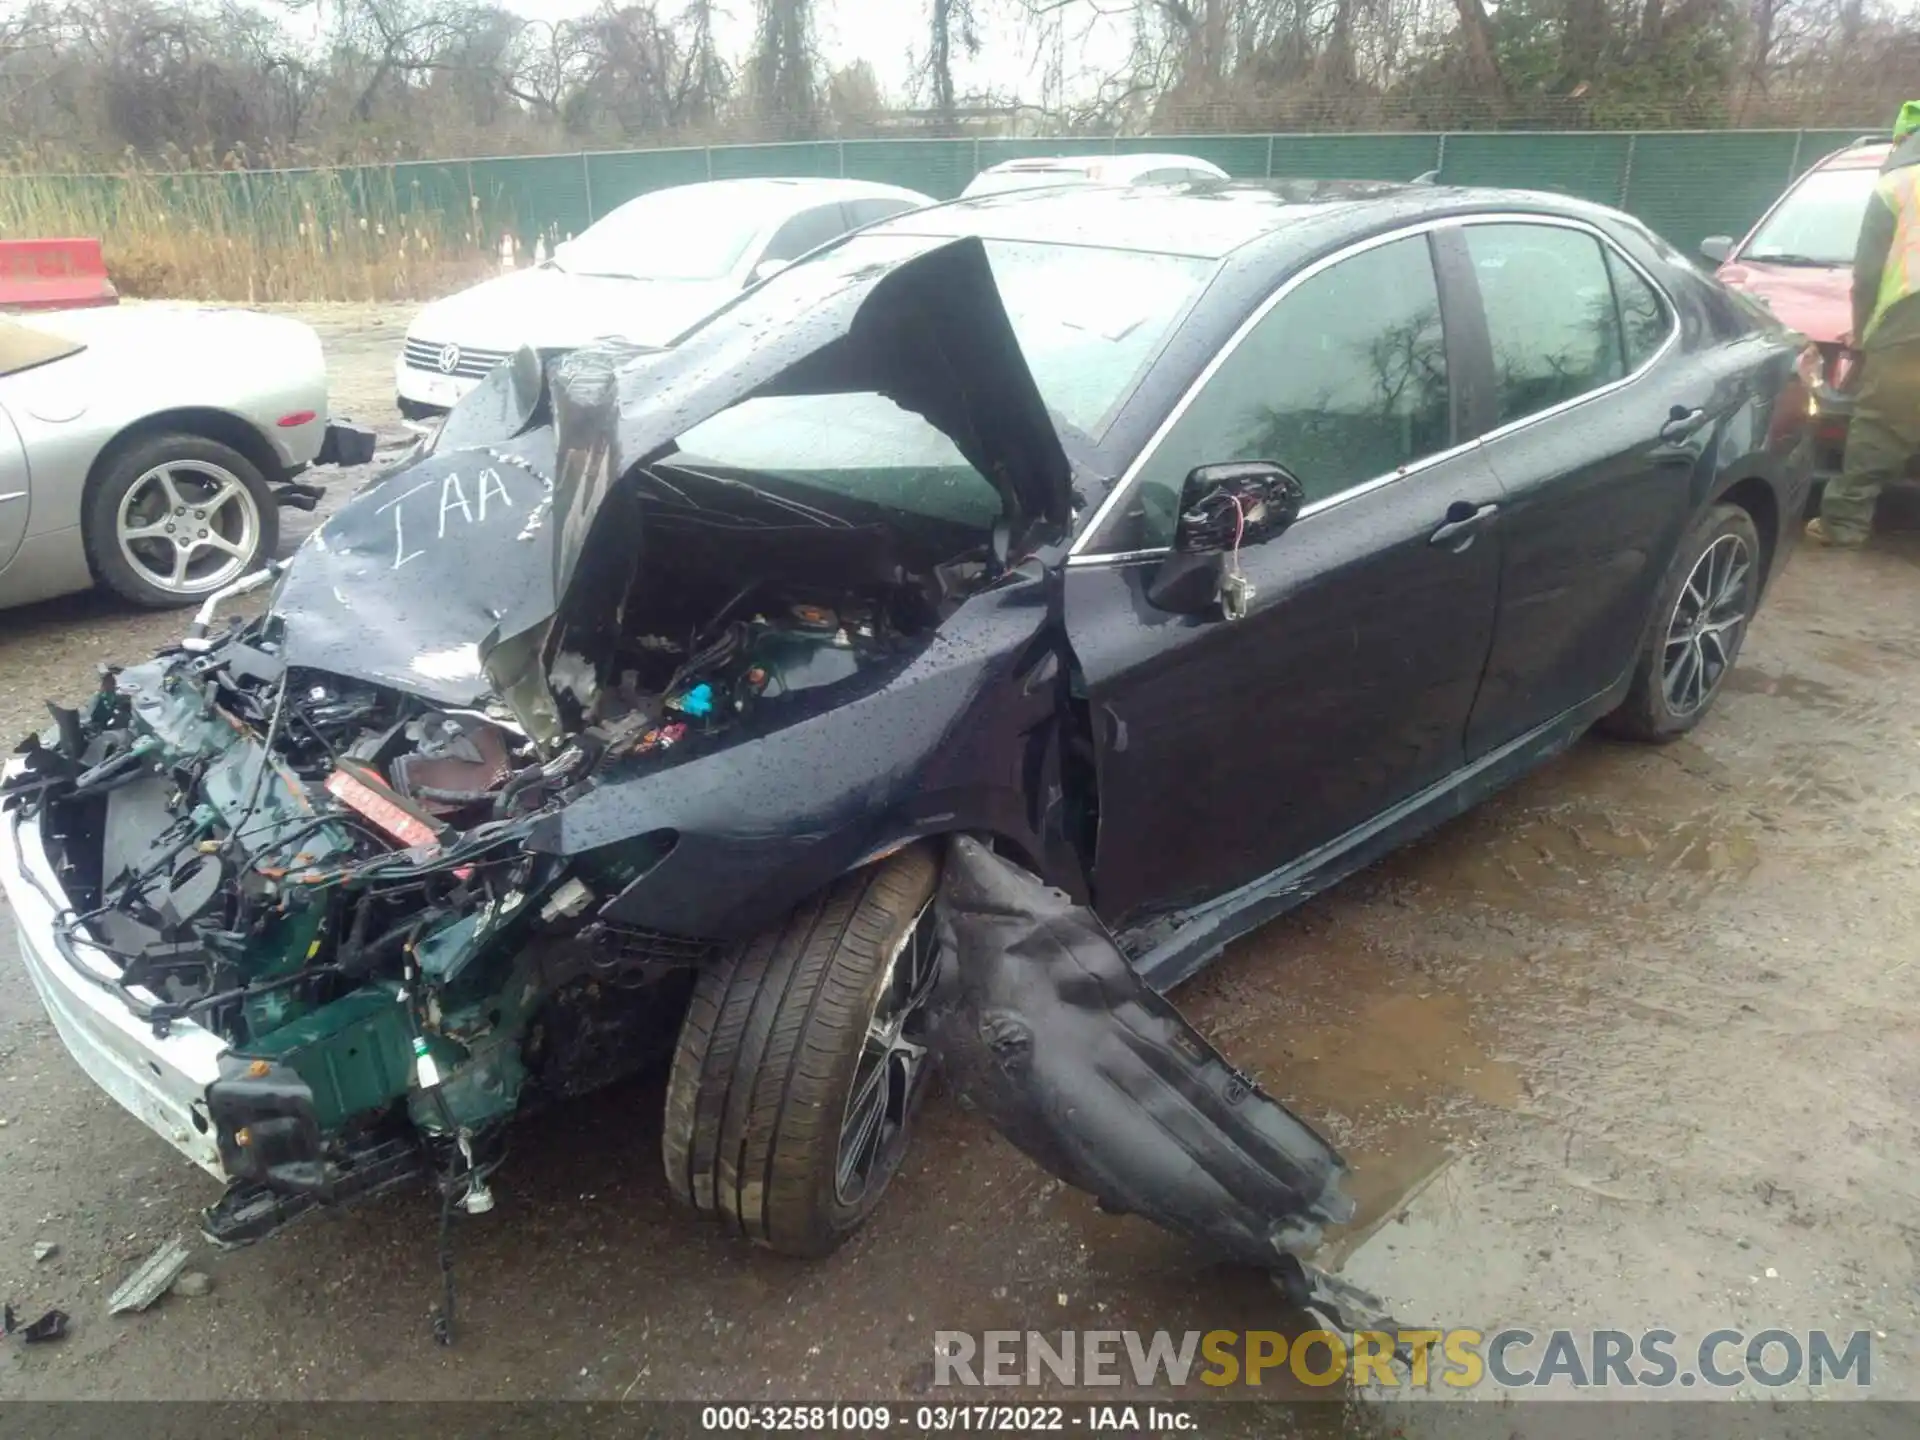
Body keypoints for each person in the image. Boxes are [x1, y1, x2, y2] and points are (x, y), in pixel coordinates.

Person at [1809, 100, 1920, 547]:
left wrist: (1865, 333)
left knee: (1880, 424)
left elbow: (1868, 274)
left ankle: (1843, 524)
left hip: (1909, 317)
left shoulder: (1897, 183)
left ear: (1901, 140)